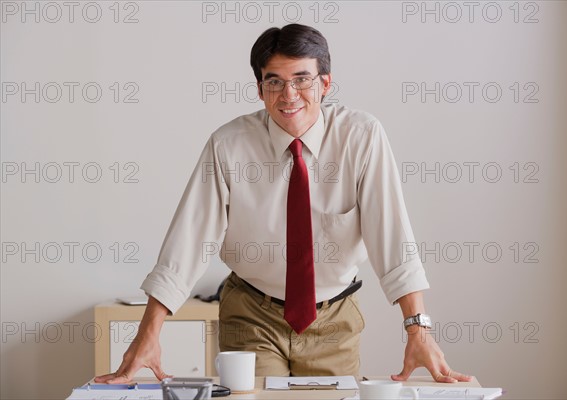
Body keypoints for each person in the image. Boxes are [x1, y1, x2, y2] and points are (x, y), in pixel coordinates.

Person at [95, 23, 471, 383]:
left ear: (325, 83)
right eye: (274, 81)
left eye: (302, 79)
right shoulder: (229, 145)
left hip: (334, 320)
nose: (289, 95)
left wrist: (418, 330)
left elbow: (392, 238)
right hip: (252, 314)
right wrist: (149, 333)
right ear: (260, 90)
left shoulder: (362, 138)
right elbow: (188, 242)